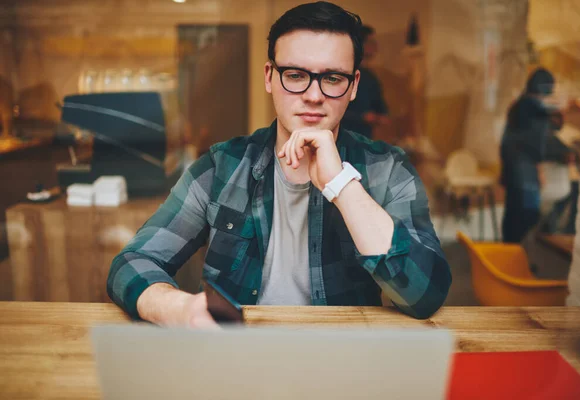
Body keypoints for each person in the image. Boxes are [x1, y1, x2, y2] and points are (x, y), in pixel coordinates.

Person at [107, 1, 451, 327]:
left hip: (342, 363)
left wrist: (342, 185)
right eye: (296, 75)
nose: (314, 95)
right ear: (270, 77)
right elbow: (132, 263)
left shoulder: (387, 169)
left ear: (354, 86)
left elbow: (425, 294)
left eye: (332, 78)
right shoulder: (221, 166)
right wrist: (180, 309)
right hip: (237, 360)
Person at [500, 68, 561, 243]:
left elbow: (505, 141)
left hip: (511, 167)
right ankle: (517, 260)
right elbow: (537, 145)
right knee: (529, 214)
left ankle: (507, 256)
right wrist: (540, 172)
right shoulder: (538, 110)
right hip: (526, 170)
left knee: (512, 216)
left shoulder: (517, 105)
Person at [340, 25, 389, 139]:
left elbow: (380, 107)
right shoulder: (342, 74)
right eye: (371, 42)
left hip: (363, 139)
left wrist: (381, 116)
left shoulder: (371, 77)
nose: (375, 47)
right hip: (340, 137)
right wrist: (361, 117)